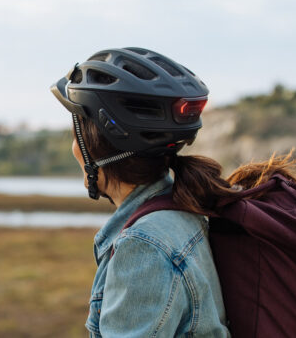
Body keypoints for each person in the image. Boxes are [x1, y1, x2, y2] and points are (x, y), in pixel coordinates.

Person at [51, 47, 231, 338]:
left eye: (76, 135)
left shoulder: (144, 246)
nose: (74, 147)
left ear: (96, 147)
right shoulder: (180, 210)